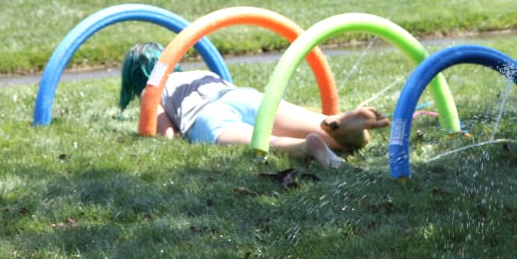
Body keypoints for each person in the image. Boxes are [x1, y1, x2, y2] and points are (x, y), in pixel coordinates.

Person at [119, 42, 390, 168]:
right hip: (243, 97)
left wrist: (152, 129)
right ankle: (346, 126)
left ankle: (305, 147)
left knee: (264, 141)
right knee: (329, 130)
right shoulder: (196, 73)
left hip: (207, 117)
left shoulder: (152, 92)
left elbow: (167, 135)